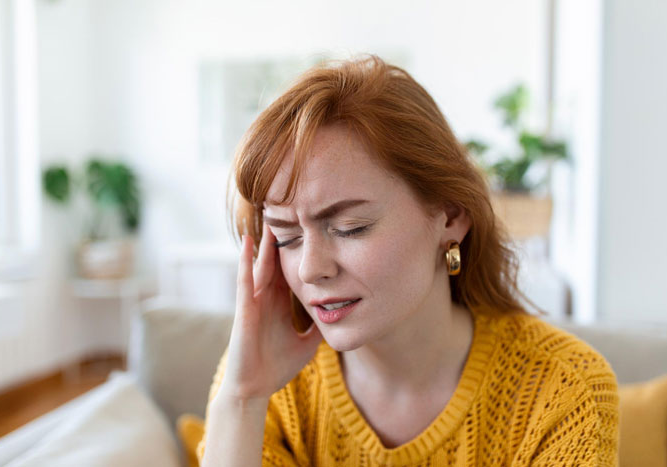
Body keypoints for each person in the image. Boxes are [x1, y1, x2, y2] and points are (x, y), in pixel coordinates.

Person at [196, 55, 619, 466]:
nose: (309, 269)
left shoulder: (565, 390)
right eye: (287, 236)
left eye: (350, 227)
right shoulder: (262, 384)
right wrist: (242, 399)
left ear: (451, 216)